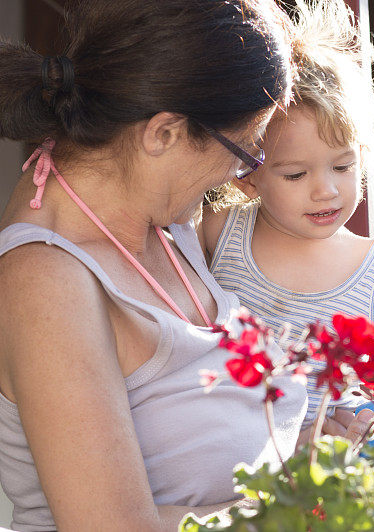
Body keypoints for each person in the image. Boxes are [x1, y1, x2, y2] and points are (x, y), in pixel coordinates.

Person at [0, 0, 348, 529]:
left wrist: (305, 448)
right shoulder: (46, 280)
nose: (239, 175)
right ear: (163, 133)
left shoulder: (163, 222)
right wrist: (314, 504)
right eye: (245, 150)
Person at [199, 0, 374, 442]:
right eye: (296, 174)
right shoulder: (221, 233)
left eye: (343, 167)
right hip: (225, 459)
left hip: (327, 466)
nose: (326, 190)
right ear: (248, 176)